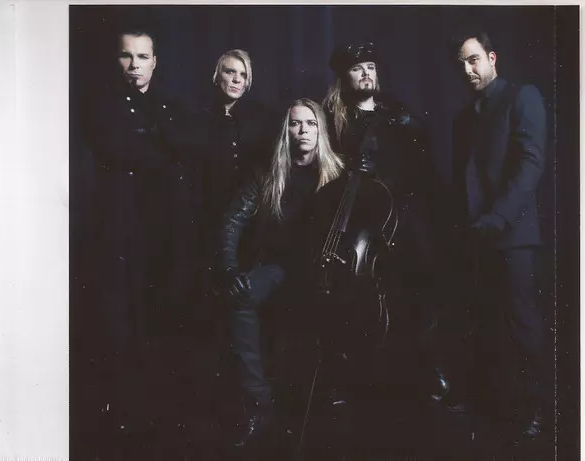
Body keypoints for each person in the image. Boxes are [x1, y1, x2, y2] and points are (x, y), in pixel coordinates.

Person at [78, 24, 194, 433]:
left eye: (143, 56)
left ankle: (157, 415)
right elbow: (120, 149)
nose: (134, 64)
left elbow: (182, 150)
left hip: (160, 226)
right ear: (117, 59)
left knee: (159, 314)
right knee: (119, 320)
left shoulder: (168, 107)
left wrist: (159, 150)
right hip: (118, 222)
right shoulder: (101, 104)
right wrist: (159, 152)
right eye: (127, 55)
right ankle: (124, 418)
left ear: (155, 62)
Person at [323, 41, 450, 403]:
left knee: (419, 287)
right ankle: (353, 375)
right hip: (362, 221)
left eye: (371, 67)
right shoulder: (333, 119)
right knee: (357, 292)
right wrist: (349, 168)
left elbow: (422, 167)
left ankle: (427, 367)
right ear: (344, 77)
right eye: (357, 68)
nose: (366, 74)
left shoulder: (397, 112)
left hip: (404, 217)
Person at [219, 98, 344, 449]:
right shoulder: (267, 173)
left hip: (322, 269)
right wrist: (229, 267)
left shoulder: (337, 174)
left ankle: (334, 395)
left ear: (320, 130)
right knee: (241, 296)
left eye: (311, 123)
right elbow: (232, 221)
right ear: (285, 130)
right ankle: (258, 405)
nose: (303, 130)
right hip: (278, 267)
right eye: (295, 123)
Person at [448, 30, 549, 441]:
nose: (467, 69)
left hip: (512, 232)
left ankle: (536, 409)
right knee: (484, 322)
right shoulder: (464, 117)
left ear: (491, 58)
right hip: (477, 235)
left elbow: (531, 163)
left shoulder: (522, 97)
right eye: (461, 64)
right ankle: (496, 405)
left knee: (520, 321)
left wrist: (499, 217)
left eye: (473, 59)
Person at [190, 49, 277, 305]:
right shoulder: (199, 119)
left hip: (249, 219)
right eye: (230, 72)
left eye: (243, 75)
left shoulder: (261, 118)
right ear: (217, 76)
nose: (237, 79)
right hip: (209, 215)